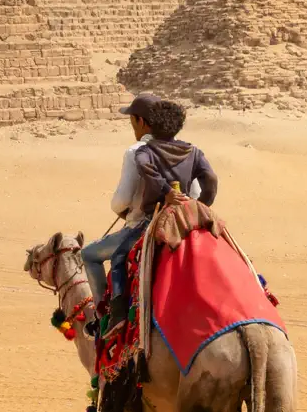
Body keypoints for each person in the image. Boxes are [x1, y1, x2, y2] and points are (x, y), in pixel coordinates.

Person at [80, 93, 220, 306]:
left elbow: (121, 201)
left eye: (132, 121)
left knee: (95, 255)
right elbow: (202, 185)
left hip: (147, 224)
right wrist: (199, 207)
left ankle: (107, 313)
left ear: (142, 121)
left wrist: (156, 197)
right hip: (189, 221)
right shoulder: (190, 150)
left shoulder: (138, 152)